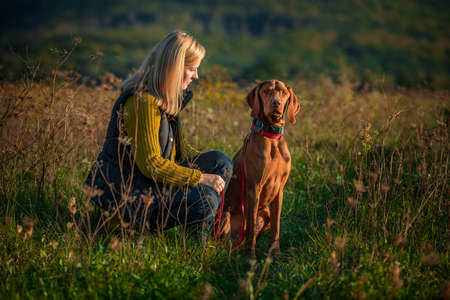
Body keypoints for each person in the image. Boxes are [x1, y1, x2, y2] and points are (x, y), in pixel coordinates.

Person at [84, 31, 232, 241]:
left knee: (220, 162)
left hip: (153, 186)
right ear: (175, 68)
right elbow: (152, 165)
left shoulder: (163, 100)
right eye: (192, 69)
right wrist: (201, 178)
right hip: (136, 199)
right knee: (206, 198)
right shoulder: (142, 102)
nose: (196, 76)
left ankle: (197, 238)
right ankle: (191, 252)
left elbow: (172, 156)